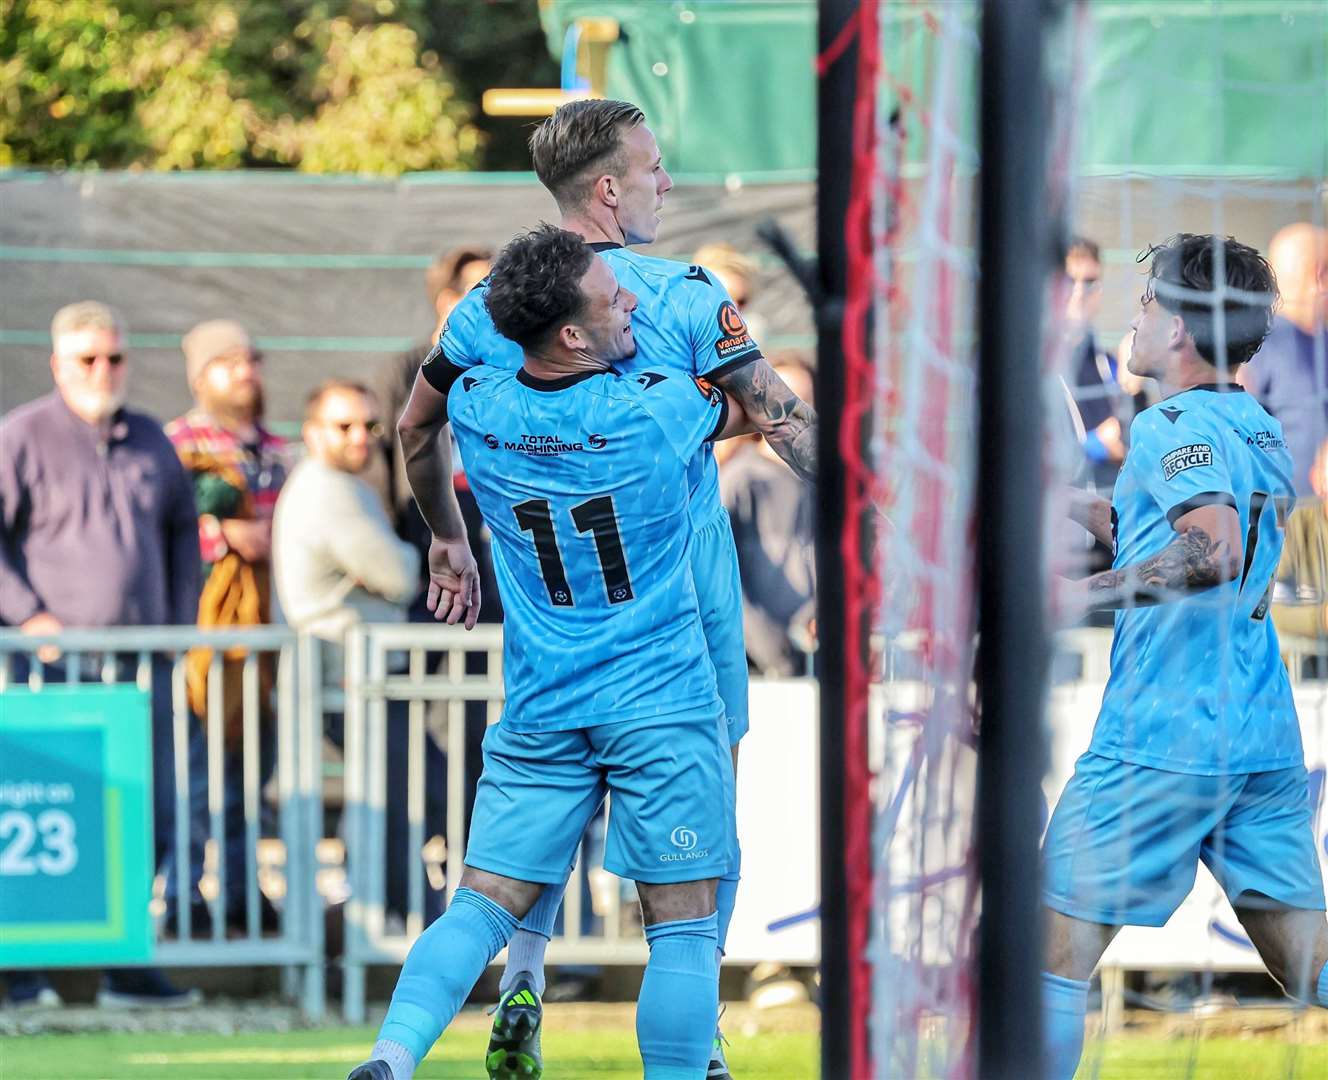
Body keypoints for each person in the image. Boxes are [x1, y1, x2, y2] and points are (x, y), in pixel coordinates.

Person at [397, 98, 818, 1080]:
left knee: (530, 821)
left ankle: (522, 982)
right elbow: (779, 417)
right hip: (676, 598)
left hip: (548, 611)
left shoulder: (499, 299)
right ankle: (692, 1045)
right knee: (693, 853)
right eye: (655, 166)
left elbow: (415, 427)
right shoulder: (674, 294)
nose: (665, 182)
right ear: (609, 187)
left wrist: (446, 541)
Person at [348, 225, 748, 1080]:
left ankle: (391, 1056)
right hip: (660, 699)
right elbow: (755, 402)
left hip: (544, 701)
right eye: (613, 297)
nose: (633, 300)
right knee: (682, 924)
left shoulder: (482, 406)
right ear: (571, 333)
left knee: (482, 903)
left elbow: (416, 426)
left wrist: (446, 537)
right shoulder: (652, 407)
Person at [1047, 235, 1328, 1079]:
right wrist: (1077, 508)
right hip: (1260, 735)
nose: (1131, 321)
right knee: (1308, 964)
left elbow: (1211, 551)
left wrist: (1067, 600)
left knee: (1044, 955)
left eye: (1144, 304)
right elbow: (1196, 515)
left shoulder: (1169, 419)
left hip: (1162, 734)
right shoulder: (1253, 420)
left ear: (1177, 328)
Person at [0, 301, 202, 1007]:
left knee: (147, 815)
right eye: (87, 358)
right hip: (45, 676)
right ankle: (20, 971)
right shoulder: (20, 436)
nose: (102, 371)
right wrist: (30, 618)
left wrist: (178, 625)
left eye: (113, 357)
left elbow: (184, 531)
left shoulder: (150, 437)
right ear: (58, 363)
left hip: (140, 671)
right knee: (46, 815)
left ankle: (126, 961)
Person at [272, 380, 447, 922]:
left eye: (370, 426)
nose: (360, 438)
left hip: (354, 676)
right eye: (342, 426)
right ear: (310, 432)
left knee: (405, 800)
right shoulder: (329, 489)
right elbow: (398, 574)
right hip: (348, 679)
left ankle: (397, 918)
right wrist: (396, 565)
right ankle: (397, 921)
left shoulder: (336, 485)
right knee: (425, 794)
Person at [166, 318, 288, 934]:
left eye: (252, 359)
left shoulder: (276, 450)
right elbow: (158, 533)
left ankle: (242, 897)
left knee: (249, 781)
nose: (246, 371)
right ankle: (184, 898)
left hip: (263, 646)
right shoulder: (174, 446)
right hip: (200, 646)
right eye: (229, 361)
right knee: (191, 778)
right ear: (199, 375)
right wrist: (221, 533)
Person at [720, 354, 816, 676]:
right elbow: (726, 581)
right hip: (761, 672)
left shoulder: (828, 483)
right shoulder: (739, 481)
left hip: (821, 663)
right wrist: (771, 651)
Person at [1239, 223, 1328, 496]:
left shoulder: (1320, 338)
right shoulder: (1260, 343)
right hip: (1282, 520)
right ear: (1319, 275)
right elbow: (1233, 438)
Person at [1271, 437, 1328, 643]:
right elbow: (1263, 611)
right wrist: (1321, 618)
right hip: (1305, 666)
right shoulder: (1293, 529)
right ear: (1317, 480)